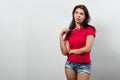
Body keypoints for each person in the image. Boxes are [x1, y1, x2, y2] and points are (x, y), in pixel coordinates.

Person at [59, 4, 96, 80]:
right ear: (73, 14)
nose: (78, 15)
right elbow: (65, 52)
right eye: (76, 13)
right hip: (70, 65)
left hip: (84, 65)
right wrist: (60, 36)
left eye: (81, 14)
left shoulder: (90, 29)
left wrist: (72, 51)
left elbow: (87, 49)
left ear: (85, 17)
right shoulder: (69, 32)